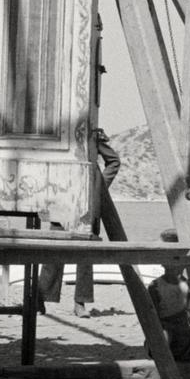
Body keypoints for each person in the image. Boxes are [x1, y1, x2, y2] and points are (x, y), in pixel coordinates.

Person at [38, 127, 118, 316]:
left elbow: (114, 162)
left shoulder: (93, 138)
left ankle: (80, 303)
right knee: (53, 254)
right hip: (61, 203)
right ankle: (39, 300)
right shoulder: (58, 138)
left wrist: (99, 188)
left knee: (85, 257)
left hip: (87, 208)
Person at [146, 230, 190, 362]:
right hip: (166, 335)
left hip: (187, 335)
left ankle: (185, 356)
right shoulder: (155, 287)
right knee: (164, 335)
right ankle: (165, 366)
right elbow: (151, 318)